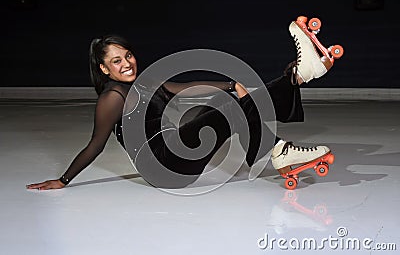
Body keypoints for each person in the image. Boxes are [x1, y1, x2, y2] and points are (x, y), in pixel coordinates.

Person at [26, 29, 334, 190]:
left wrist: (231, 84)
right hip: (164, 168)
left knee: (227, 101)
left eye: (128, 55)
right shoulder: (112, 97)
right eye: (116, 61)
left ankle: (297, 76)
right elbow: (95, 144)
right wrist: (64, 180)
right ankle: (283, 131)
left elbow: (187, 87)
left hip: (176, 152)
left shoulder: (145, 81)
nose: (127, 63)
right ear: (104, 70)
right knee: (228, 107)